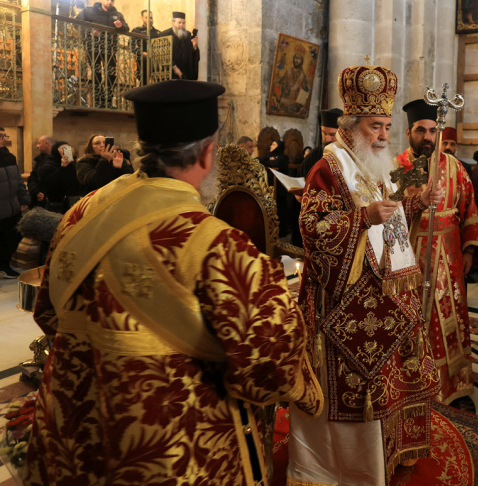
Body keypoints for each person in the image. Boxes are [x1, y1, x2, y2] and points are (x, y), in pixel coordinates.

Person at [24, 80, 323, 484]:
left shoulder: (82, 213)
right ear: (207, 152)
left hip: (73, 437)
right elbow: (272, 367)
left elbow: (48, 312)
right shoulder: (219, 247)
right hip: (172, 450)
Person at [290, 60, 443, 485]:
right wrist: (362, 219)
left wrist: (413, 204)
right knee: (355, 394)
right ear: (353, 124)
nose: (383, 135)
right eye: (375, 126)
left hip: (379, 298)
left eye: (386, 126)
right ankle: (341, 469)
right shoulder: (329, 167)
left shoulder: (369, 164)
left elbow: (387, 215)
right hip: (341, 309)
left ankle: (389, 455)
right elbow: (313, 231)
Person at [394, 98, 478, 404]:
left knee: (449, 320)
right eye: (421, 130)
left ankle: (452, 385)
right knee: (410, 318)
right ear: (409, 131)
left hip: (449, 257)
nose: (428, 137)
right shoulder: (395, 167)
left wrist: (468, 250)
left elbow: (469, 208)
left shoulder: (453, 166)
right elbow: (386, 214)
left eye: (432, 131)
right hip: (410, 255)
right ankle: (410, 382)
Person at [77, 0, 129, 108]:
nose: (110, 2)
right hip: (92, 46)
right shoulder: (89, 11)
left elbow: (126, 28)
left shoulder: (117, 14)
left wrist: (120, 26)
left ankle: (109, 100)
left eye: (112, 0)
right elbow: (77, 23)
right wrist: (90, 31)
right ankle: (98, 100)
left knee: (111, 74)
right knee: (96, 73)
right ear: (101, 0)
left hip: (109, 49)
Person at [0, 127, 28, 278]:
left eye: (4, 135)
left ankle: (4, 265)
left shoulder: (9, 157)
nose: (4, 138)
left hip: (12, 207)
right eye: (0, 136)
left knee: (14, 236)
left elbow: (17, 180)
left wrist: (23, 198)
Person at [299, 107, 343, 178]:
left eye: (333, 135)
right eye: (324, 133)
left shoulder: (350, 156)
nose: (327, 139)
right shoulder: (313, 156)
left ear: (343, 134)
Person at [36, 141, 79, 213]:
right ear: (56, 151)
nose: (66, 151)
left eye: (68, 149)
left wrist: (71, 164)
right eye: (63, 149)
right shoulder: (47, 165)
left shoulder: (72, 163)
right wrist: (63, 167)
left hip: (71, 201)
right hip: (56, 203)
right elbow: (51, 184)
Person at [160, 11, 200, 80]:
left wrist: (194, 46)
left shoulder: (187, 34)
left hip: (185, 73)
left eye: (183, 23)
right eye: (179, 22)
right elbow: (163, 54)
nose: (181, 25)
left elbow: (192, 55)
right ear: (173, 22)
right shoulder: (165, 34)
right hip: (170, 73)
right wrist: (174, 67)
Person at [130, 10, 161, 86]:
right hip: (143, 61)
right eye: (146, 17)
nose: (149, 20)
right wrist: (141, 53)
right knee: (143, 83)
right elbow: (131, 45)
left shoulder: (158, 32)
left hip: (156, 62)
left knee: (159, 84)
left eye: (151, 17)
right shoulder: (137, 31)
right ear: (142, 18)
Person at [28, 134, 55, 208]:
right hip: (40, 203)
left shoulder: (59, 160)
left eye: (39, 143)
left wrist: (48, 195)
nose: (37, 146)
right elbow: (32, 178)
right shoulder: (40, 160)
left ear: (46, 144)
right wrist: (37, 192)